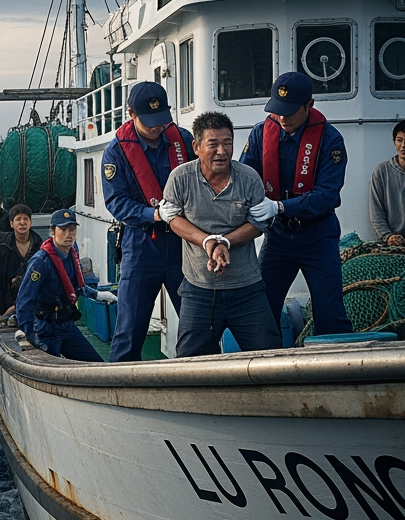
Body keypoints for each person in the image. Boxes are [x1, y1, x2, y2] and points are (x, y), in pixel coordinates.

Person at [239, 72, 353, 336]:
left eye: (290, 111)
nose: (282, 118)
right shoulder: (260, 134)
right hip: (278, 235)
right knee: (261, 307)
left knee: (330, 311)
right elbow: (246, 177)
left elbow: (327, 195)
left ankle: (335, 372)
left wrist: (280, 207)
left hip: (317, 236)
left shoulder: (330, 140)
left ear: (309, 105)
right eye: (278, 111)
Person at [159, 111, 282, 357]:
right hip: (198, 290)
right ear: (196, 146)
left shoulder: (249, 178)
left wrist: (225, 242)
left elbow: (259, 223)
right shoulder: (180, 178)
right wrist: (208, 242)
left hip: (247, 288)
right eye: (212, 144)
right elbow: (173, 218)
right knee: (190, 365)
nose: (221, 151)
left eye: (227, 143)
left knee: (271, 360)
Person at [100, 81, 195, 362]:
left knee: (197, 321)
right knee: (130, 327)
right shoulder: (115, 152)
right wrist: (152, 214)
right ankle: (120, 388)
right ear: (132, 114)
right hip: (141, 245)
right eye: (150, 121)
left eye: (161, 120)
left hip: (183, 243)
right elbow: (116, 202)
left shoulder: (185, 140)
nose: (157, 128)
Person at [14, 209, 104, 361]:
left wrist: (98, 294)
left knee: (97, 364)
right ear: (52, 231)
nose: (68, 234)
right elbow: (24, 300)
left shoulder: (71, 255)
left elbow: (75, 287)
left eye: (72, 229)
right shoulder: (41, 262)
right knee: (52, 369)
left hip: (65, 324)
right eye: (63, 229)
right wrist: (30, 335)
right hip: (45, 329)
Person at [0, 204, 43, 316]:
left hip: (31, 302)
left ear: (30, 222)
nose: (22, 223)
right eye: (18, 219)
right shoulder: (1, 244)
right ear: (12, 223)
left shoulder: (39, 245)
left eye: (26, 219)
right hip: (5, 302)